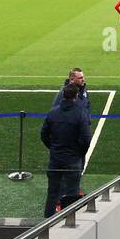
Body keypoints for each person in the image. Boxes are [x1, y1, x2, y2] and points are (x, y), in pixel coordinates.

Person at [42, 81, 93, 214]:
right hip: (72, 159)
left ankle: (47, 222)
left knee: (52, 192)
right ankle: (69, 226)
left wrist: (53, 148)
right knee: (72, 193)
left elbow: (44, 134)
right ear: (76, 96)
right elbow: (86, 138)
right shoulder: (80, 113)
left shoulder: (53, 112)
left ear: (63, 95)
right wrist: (79, 153)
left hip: (55, 158)